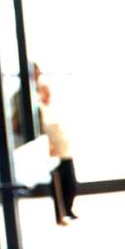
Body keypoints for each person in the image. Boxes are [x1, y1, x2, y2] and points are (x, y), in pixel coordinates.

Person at [35, 63, 78, 224]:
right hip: (50, 148)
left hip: (64, 146)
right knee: (58, 182)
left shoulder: (53, 107)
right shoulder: (37, 107)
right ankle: (60, 214)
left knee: (70, 181)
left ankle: (67, 209)